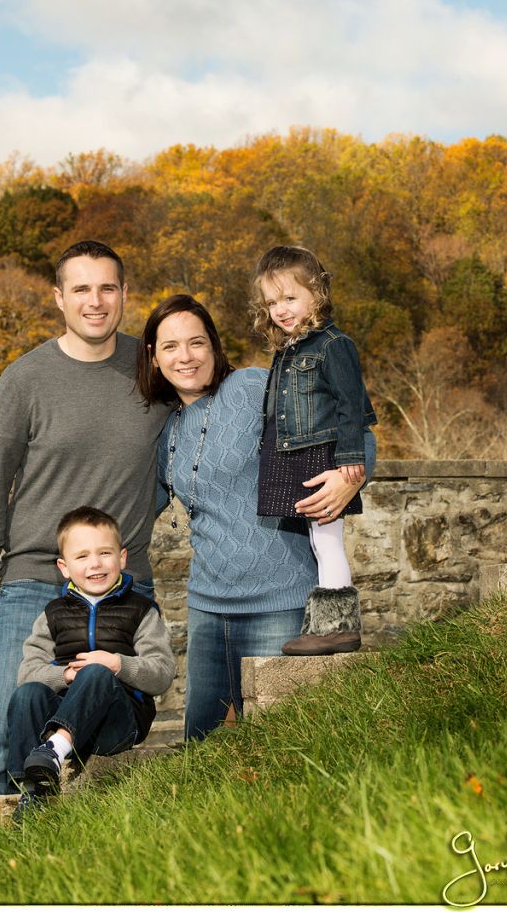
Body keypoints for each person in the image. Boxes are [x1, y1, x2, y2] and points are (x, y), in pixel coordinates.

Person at [0, 240, 171, 828]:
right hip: (35, 580)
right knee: (7, 732)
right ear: (58, 298)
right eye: (80, 288)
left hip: (125, 589)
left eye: (108, 287)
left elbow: (188, 450)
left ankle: (74, 866)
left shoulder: (152, 370)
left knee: (108, 739)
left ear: (125, 295)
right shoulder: (24, 379)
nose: (95, 300)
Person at [136, 294, 374, 740]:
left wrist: (350, 478)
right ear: (153, 357)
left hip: (280, 602)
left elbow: (350, 426)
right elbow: (136, 509)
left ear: (214, 347)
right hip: (208, 610)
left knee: (280, 744)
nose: (185, 357)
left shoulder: (251, 388)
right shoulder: (165, 430)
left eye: (197, 343)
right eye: (170, 347)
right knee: (203, 749)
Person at [250, 244, 378, 656]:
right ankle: (323, 625)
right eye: (272, 302)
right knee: (316, 540)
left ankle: (338, 627)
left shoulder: (332, 345)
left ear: (317, 294)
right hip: (298, 456)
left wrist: (350, 464)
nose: (281, 309)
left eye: (290, 297)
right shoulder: (289, 349)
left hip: (323, 458)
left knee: (327, 540)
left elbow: (350, 407)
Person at [6, 506, 175, 814]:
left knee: (97, 670)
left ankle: (56, 749)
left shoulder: (141, 610)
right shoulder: (53, 614)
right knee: (27, 693)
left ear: (122, 558)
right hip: (66, 714)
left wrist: (117, 664)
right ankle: (30, 790)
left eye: (105, 553)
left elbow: (162, 674)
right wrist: (67, 676)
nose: (95, 563)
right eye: (82, 556)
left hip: (117, 725)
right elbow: (26, 673)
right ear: (64, 567)